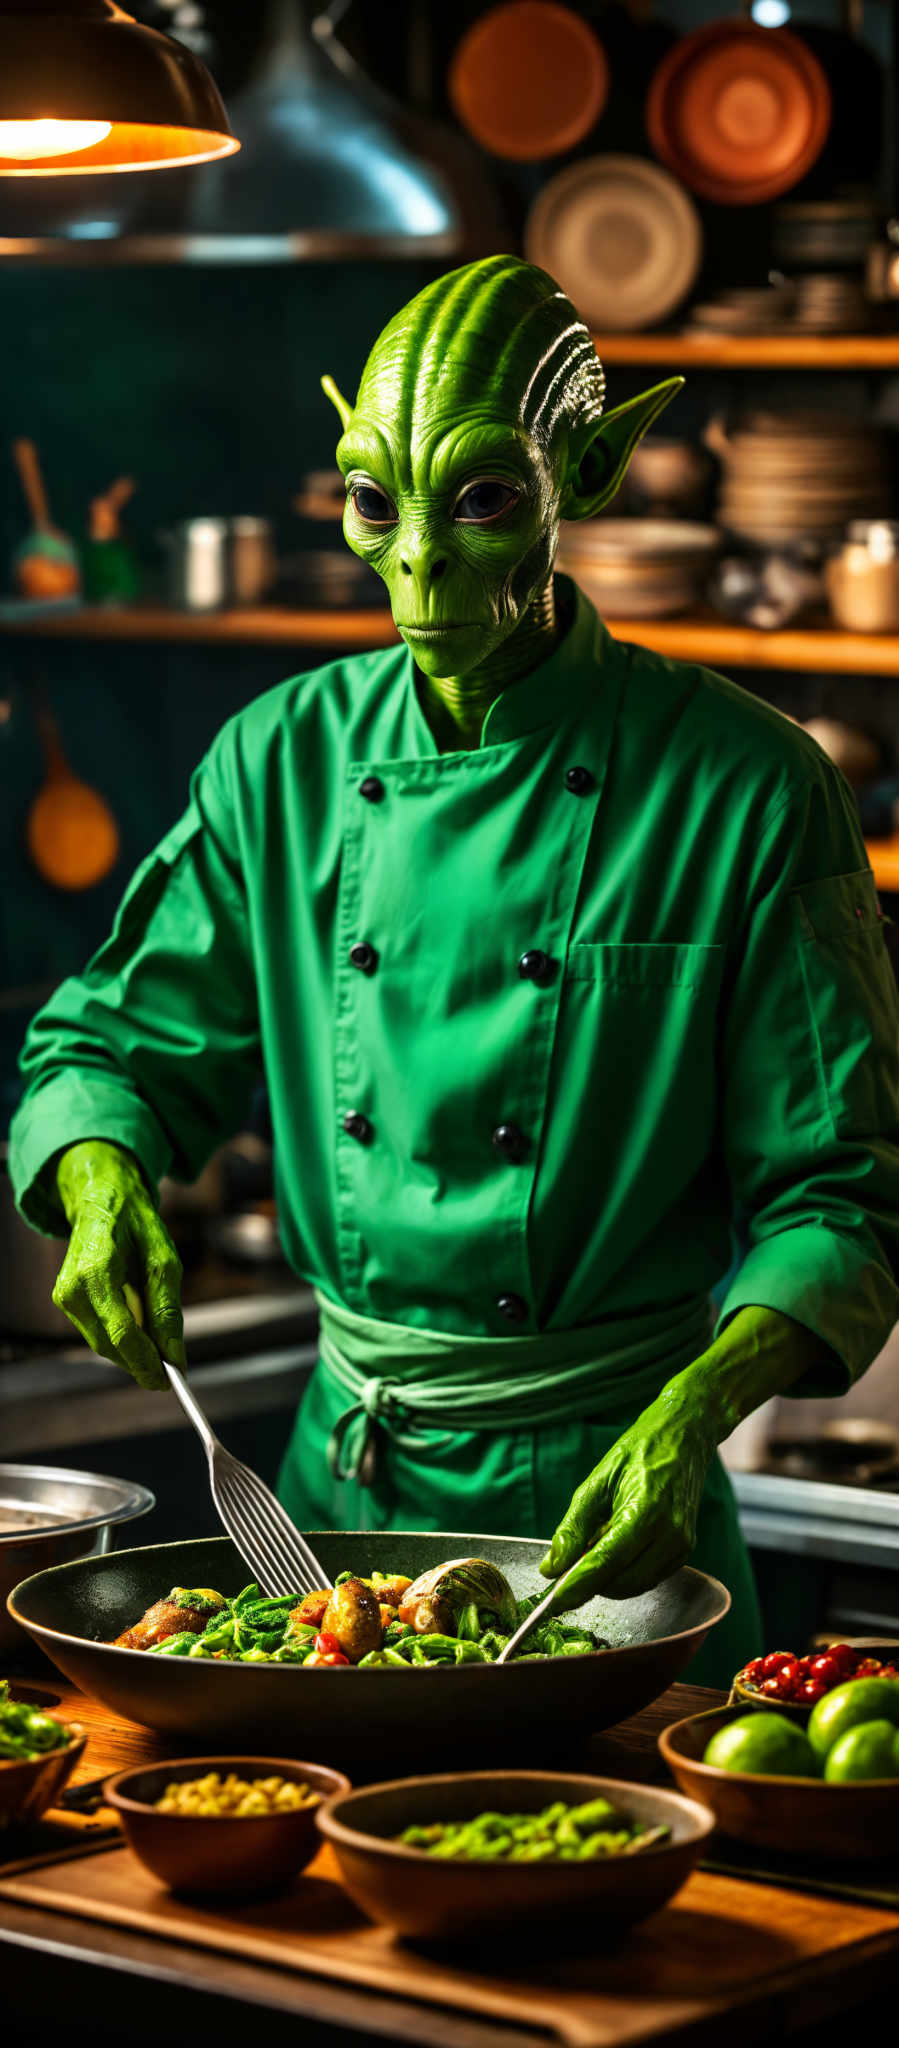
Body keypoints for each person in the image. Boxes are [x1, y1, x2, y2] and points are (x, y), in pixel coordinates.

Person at [10, 258, 899, 1684]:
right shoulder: (280, 760)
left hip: (613, 1517)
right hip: (321, 1521)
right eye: (378, 503)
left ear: (587, 473)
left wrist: (690, 1423)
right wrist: (102, 1180)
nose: (419, 563)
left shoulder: (750, 787)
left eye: (481, 499)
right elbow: (104, 1051)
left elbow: (845, 1198)